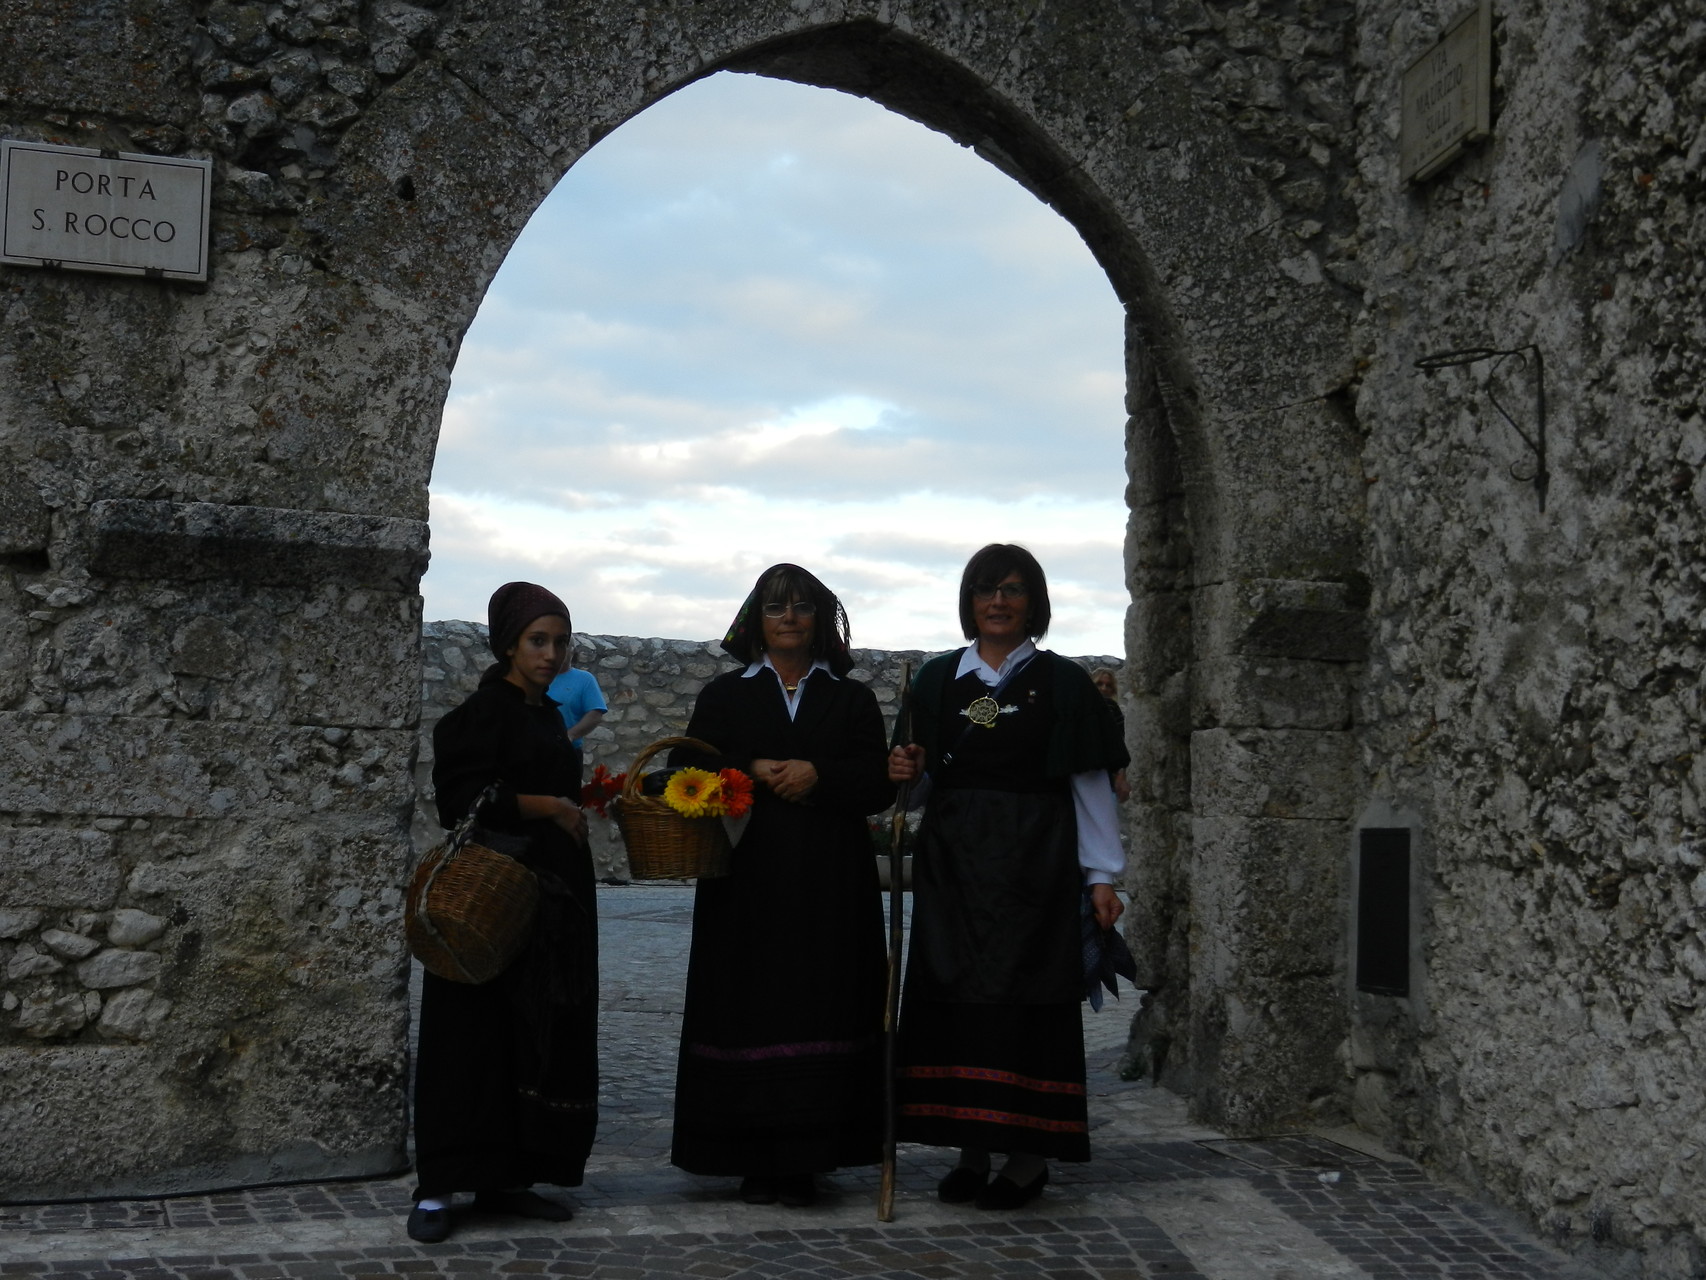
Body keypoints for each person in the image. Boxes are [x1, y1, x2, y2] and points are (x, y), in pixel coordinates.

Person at [887, 544, 1129, 1211]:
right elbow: (916, 794)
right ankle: (971, 1150)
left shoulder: (1064, 685)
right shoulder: (936, 681)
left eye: (1015, 590)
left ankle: (1027, 1158)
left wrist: (1101, 875)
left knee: (1027, 1000)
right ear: (969, 600)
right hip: (954, 865)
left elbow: (1089, 785)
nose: (999, 601)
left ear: (1035, 603)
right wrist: (905, 776)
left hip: (1036, 861)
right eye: (987, 588)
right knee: (956, 1000)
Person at [668, 564, 895, 1208]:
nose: (789, 617)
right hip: (748, 883)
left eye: (800, 606)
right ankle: (750, 1157)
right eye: (776, 607)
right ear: (756, 620)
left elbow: (876, 783)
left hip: (831, 884)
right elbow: (681, 769)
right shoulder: (725, 697)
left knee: (824, 1002)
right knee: (750, 1003)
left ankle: (810, 1156)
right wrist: (751, 771)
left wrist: (818, 775)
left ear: (820, 617)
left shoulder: (849, 699)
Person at [408, 582, 598, 1243]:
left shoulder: (548, 715)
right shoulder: (479, 714)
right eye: (537, 641)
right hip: (491, 897)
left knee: (530, 1034)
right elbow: (461, 798)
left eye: (560, 642)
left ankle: (507, 1177)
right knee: (467, 1039)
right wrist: (548, 806)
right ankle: (437, 1185)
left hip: (548, 901)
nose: (550, 654)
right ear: (508, 644)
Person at [547, 651, 608, 783]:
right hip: (532, 751)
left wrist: (570, 735)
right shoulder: (534, 677)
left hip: (567, 754)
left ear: (572, 650)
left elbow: (596, 713)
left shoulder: (585, 679)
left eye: (564, 643)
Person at [1091, 667, 1131, 803]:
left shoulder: (1112, 707)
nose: (1103, 688)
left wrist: (1121, 775)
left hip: (1106, 774)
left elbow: (1121, 742)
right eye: (1099, 684)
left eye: (1108, 685)